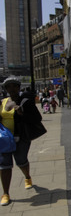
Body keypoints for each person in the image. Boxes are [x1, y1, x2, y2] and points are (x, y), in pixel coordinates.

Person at [0, 77, 42, 206]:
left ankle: (27, 176)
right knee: (4, 165)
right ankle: (6, 193)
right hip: (4, 140)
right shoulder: (2, 102)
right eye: (8, 86)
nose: (11, 89)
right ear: (5, 89)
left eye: (14, 86)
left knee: (21, 161)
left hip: (21, 138)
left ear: (19, 88)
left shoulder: (25, 102)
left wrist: (22, 113)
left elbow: (37, 118)